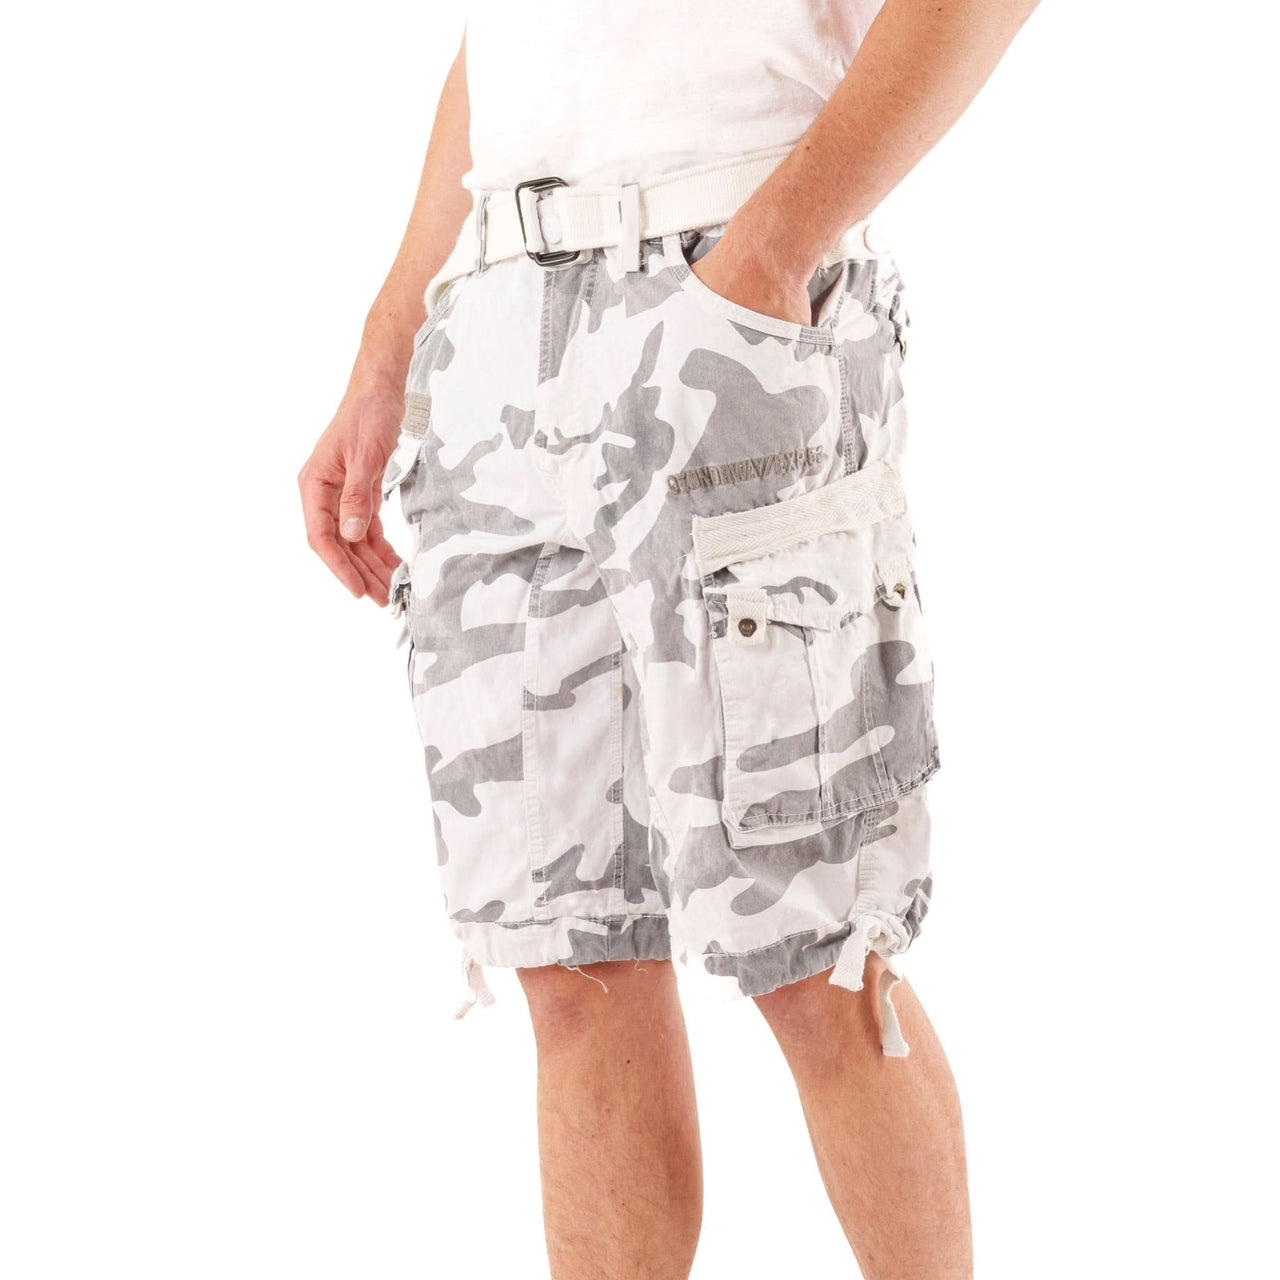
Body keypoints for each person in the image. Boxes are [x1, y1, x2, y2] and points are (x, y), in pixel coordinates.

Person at [299, 2, 1037, 1275]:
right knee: (565, 955)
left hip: (727, 303)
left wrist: (772, 249)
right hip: (494, 340)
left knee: (809, 943)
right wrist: (387, 340)